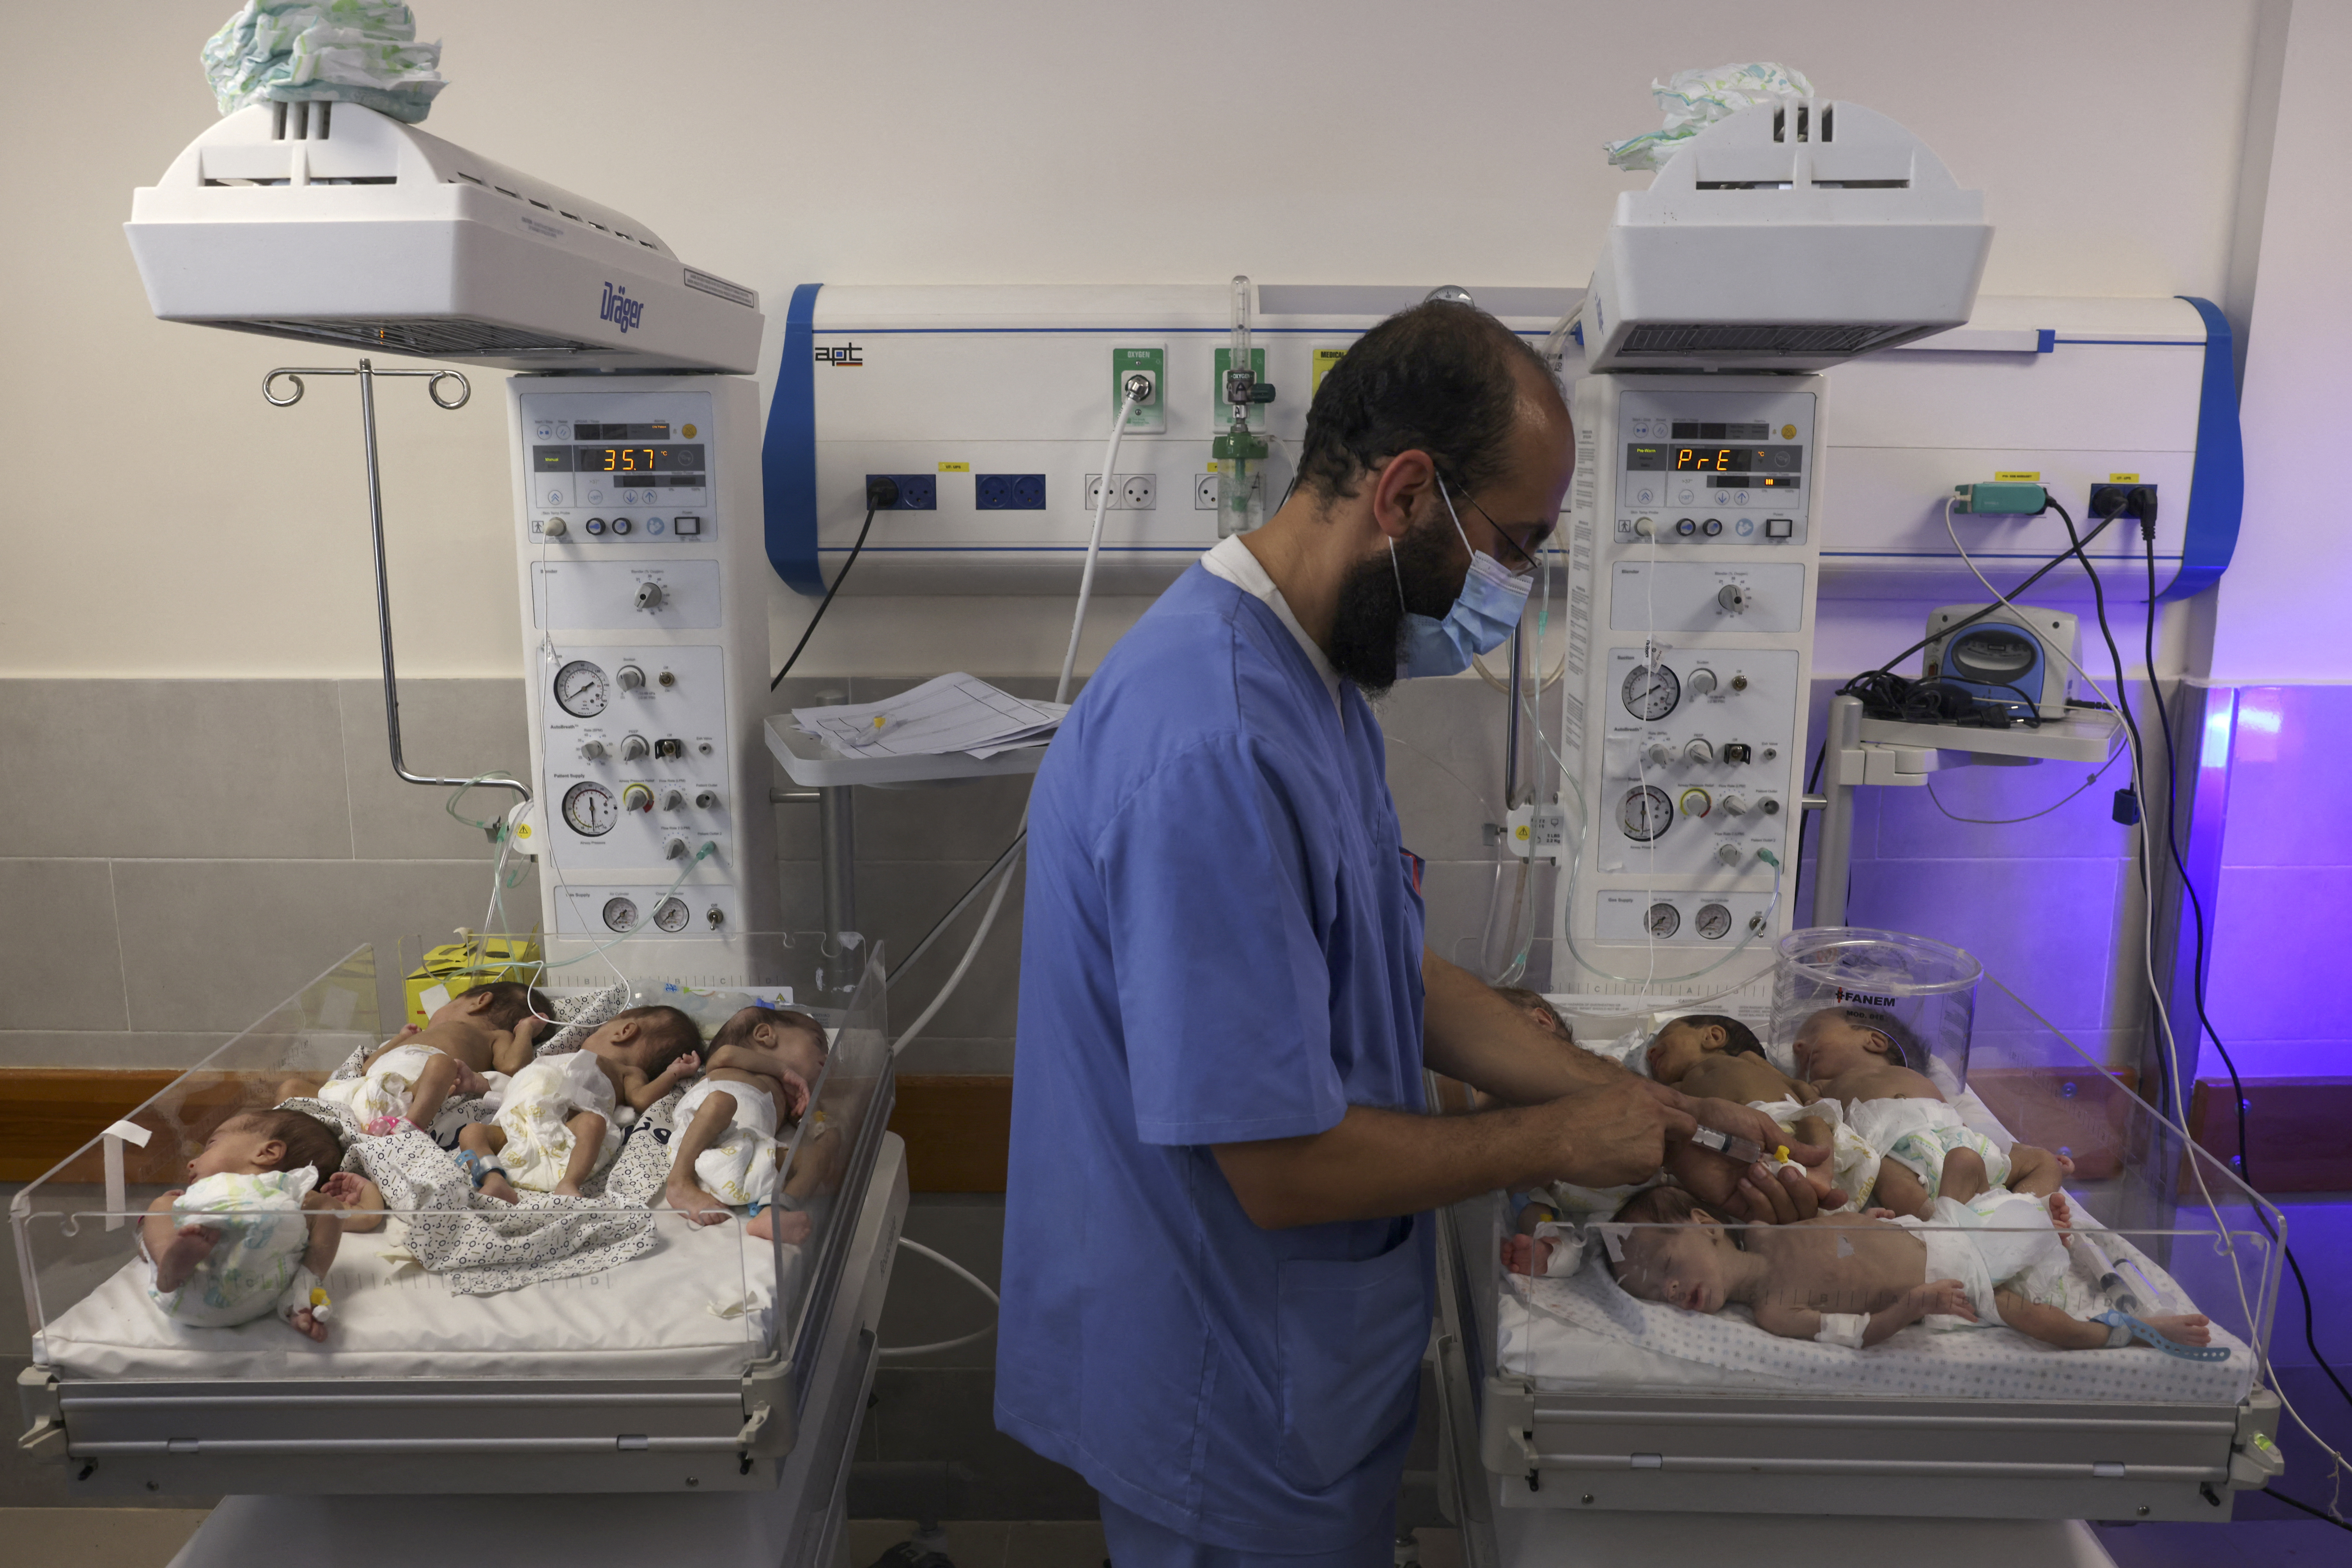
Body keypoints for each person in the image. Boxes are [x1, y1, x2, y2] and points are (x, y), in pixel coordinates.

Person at [998, 300, 1830, 1567]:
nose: (1515, 587)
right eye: (1512, 544)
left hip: (1296, 1371)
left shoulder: (1310, 677)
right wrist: (1557, 1138)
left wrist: (1656, 1118)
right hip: (1223, 1395)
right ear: (1401, 493)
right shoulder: (1211, 743)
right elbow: (1275, 1166)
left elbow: (1390, 971)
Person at [1591, 1184, 2214, 1355]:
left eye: (1666, 1264)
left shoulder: (1764, 1226)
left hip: (1930, 1226)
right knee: (2036, 1319)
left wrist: (1869, 1219)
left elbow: (1836, 1234)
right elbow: (1861, 1334)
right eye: (1651, 1290)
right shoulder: (1772, 1311)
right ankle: (2126, 1329)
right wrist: (1912, 1305)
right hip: (1956, 1275)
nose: (1668, 1288)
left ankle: (2046, 1196)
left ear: (1704, 1224)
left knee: (1978, 1174)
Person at [1796, 1006, 2071, 1218]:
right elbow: (1810, 1109)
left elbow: (1969, 1128)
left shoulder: (1908, 1073)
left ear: (1875, 1041)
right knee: (1881, 1175)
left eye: (1814, 1035)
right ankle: (1938, 1224)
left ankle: (2021, 1212)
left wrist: (2015, 1149)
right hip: (1894, 1151)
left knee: (2043, 1161)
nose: (1798, 1048)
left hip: (1956, 1139)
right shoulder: (1824, 1085)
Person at [141, 1107, 363, 1341]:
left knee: (329, 1209)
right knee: (161, 1207)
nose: (191, 1163)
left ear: (267, 1152)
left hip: (227, 1294)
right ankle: (170, 1262)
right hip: (191, 1282)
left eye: (211, 1145)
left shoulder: (289, 1191)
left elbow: (351, 1216)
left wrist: (357, 1197)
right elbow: (144, 1247)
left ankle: (301, 1295)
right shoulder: (195, 1198)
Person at [458, 1004, 700, 1201]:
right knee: (473, 1132)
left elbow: (641, 1099)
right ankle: (494, 1180)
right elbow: (523, 1090)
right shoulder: (562, 1058)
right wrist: (481, 1085)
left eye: (598, 1031)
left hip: (567, 1132)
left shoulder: (628, 1072)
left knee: (593, 1123)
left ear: (624, 1031)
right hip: (519, 1129)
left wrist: (672, 1074)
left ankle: (569, 1183)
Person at [664, 1005, 830, 1243]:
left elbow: (805, 1130)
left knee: (815, 1157)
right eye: (817, 1043)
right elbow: (722, 1054)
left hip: (745, 1159)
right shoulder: (732, 1061)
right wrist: (783, 1071)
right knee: (721, 1102)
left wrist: (814, 1118)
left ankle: (774, 1212)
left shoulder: (786, 1095)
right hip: (700, 1139)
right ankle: (679, 1182)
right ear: (765, 1035)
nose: (826, 1057)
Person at [314, 981, 552, 1135]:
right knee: (292, 1087)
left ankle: (408, 1131)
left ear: (480, 1002)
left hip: (414, 1095)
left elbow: (512, 1067)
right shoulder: (419, 1036)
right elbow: (368, 1068)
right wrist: (399, 1038)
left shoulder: (494, 1035)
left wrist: (525, 1030)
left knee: (442, 1065)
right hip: (363, 1093)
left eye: (451, 1003)